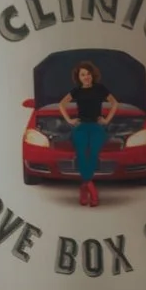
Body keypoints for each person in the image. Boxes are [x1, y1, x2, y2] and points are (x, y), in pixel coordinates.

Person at [56, 60, 124, 207]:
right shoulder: (76, 91)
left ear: (92, 75)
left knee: (93, 154)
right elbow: (61, 104)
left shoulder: (100, 88)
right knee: (81, 154)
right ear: (78, 77)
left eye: (88, 74)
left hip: (96, 127)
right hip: (81, 127)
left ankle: (84, 187)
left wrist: (106, 120)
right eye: (83, 75)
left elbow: (115, 103)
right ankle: (92, 189)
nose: (86, 77)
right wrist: (69, 120)